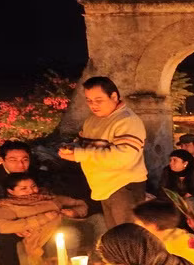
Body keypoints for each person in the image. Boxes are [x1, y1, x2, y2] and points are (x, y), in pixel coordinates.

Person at [58, 76, 147, 228]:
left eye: (99, 100)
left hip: (123, 186)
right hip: (102, 186)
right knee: (114, 235)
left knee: (127, 236)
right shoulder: (91, 120)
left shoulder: (127, 121)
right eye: (89, 100)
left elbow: (123, 157)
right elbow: (84, 145)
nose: (93, 105)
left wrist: (79, 154)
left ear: (114, 96)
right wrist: (71, 148)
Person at [0, 173, 89, 265]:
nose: (31, 191)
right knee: (70, 234)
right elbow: (3, 226)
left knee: (97, 220)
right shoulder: (9, 206)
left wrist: (75, 212)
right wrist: (43, 218)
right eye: (24, 189)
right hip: (44, 239)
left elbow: (80, 203)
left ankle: (98, 262)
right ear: (10, 191)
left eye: (33, 186)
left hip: (70, 227)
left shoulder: (49, 197)